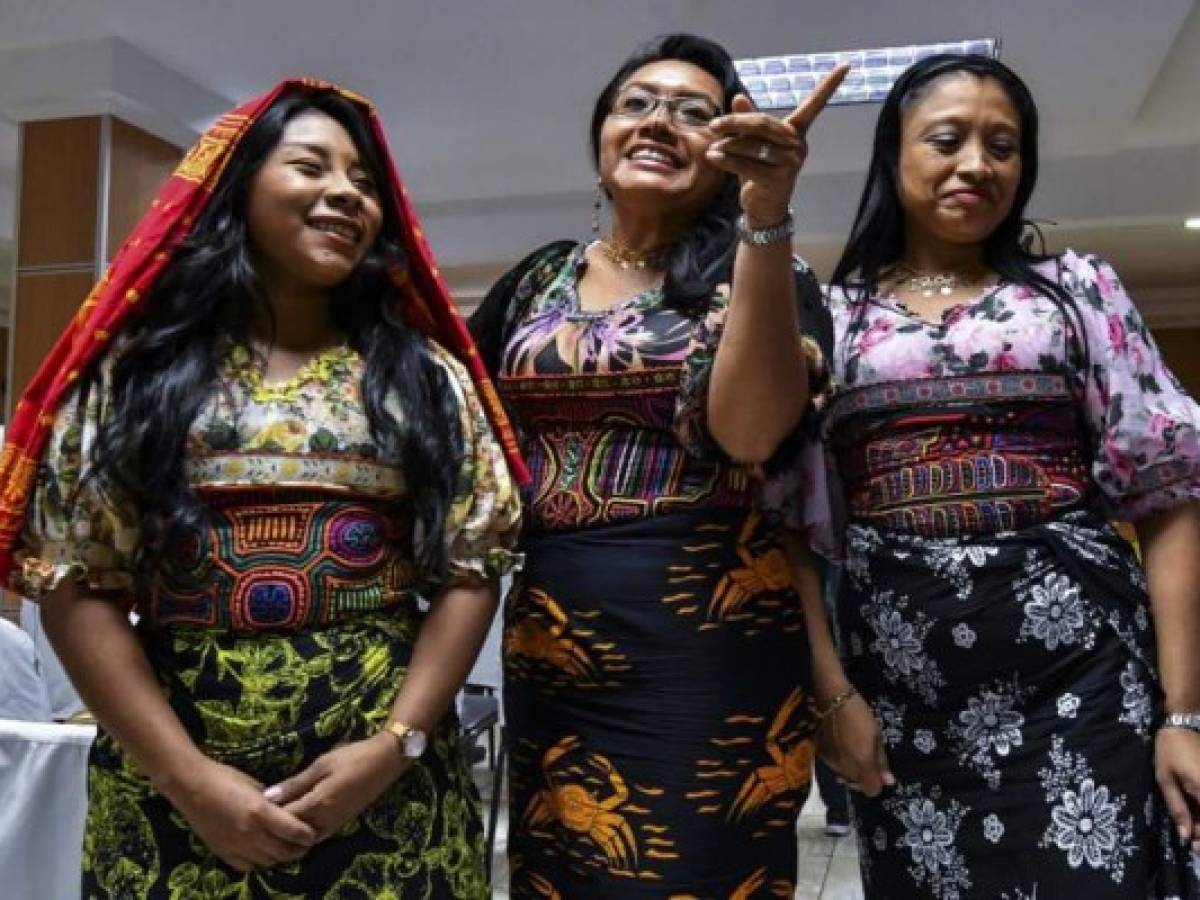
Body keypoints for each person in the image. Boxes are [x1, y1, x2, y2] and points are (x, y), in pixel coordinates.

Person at [0, 79, 522, 898]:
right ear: (234, 190)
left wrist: (394, 747)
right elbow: (79, 583)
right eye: (312, 166)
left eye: (364, 183)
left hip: (384, 785)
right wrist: (190, 784)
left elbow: (471, 568)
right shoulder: (136, 374)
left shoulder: (424, 376)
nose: (345, 194)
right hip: (174, 784)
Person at [471, 33, 882, 897]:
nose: (659, 120)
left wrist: (765, 212)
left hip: (711, 657)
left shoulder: (767, 272)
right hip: (552, 650)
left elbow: (752, 435)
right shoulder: (534, 281)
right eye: (637, 103)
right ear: (602, 136)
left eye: (694, 112)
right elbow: (463, 448)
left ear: (724, 152)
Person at [818, 52, 1200, 897]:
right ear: (894, 155)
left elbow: (1170, 500)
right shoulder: (834, 317)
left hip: (1084, 678)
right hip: (904, 693)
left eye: (1004, 146)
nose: (977, 166)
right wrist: (833, 697)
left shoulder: (1078, 293)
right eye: (948, 139)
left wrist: (1183, 715)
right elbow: (789, 517)